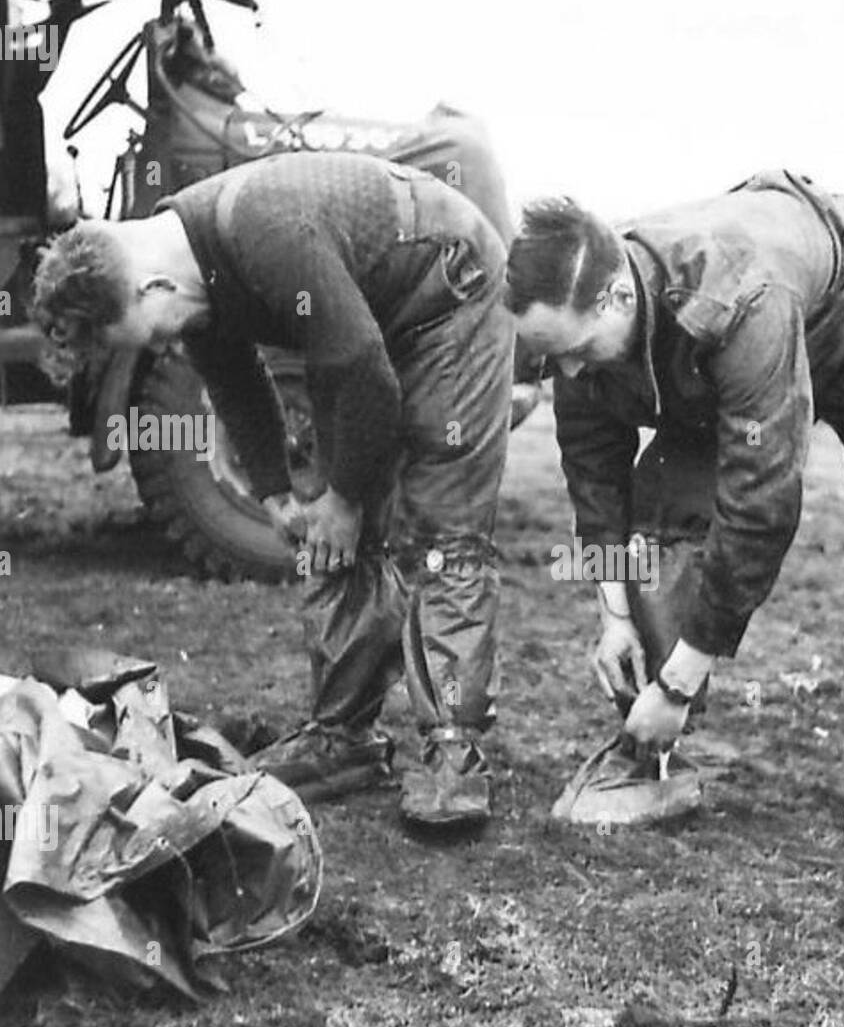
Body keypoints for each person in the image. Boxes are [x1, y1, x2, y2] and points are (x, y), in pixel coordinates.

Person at [32, 150, 514, 826]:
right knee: (327, 523)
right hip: (359, 323)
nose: (156, 346)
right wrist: (280, 498)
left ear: (151, 291)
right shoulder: (187, 268)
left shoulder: (264, 230)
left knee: (442, 526)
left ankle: (454, 751)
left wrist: (348, 499)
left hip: (445, 296)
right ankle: (341, 736)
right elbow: (233, 379)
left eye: (143, 335)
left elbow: (364, 371)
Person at [503, 169, 844, 843]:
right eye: (554, 361)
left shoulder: (734, 298)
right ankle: (652, 755)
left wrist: (679, 683)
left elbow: (759, 507)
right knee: (664, 522)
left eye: (578, 353)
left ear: (616, 296)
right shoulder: (578, 337)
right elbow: (593, 474)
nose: (571, 376)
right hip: (766, 334)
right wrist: (613, 614)